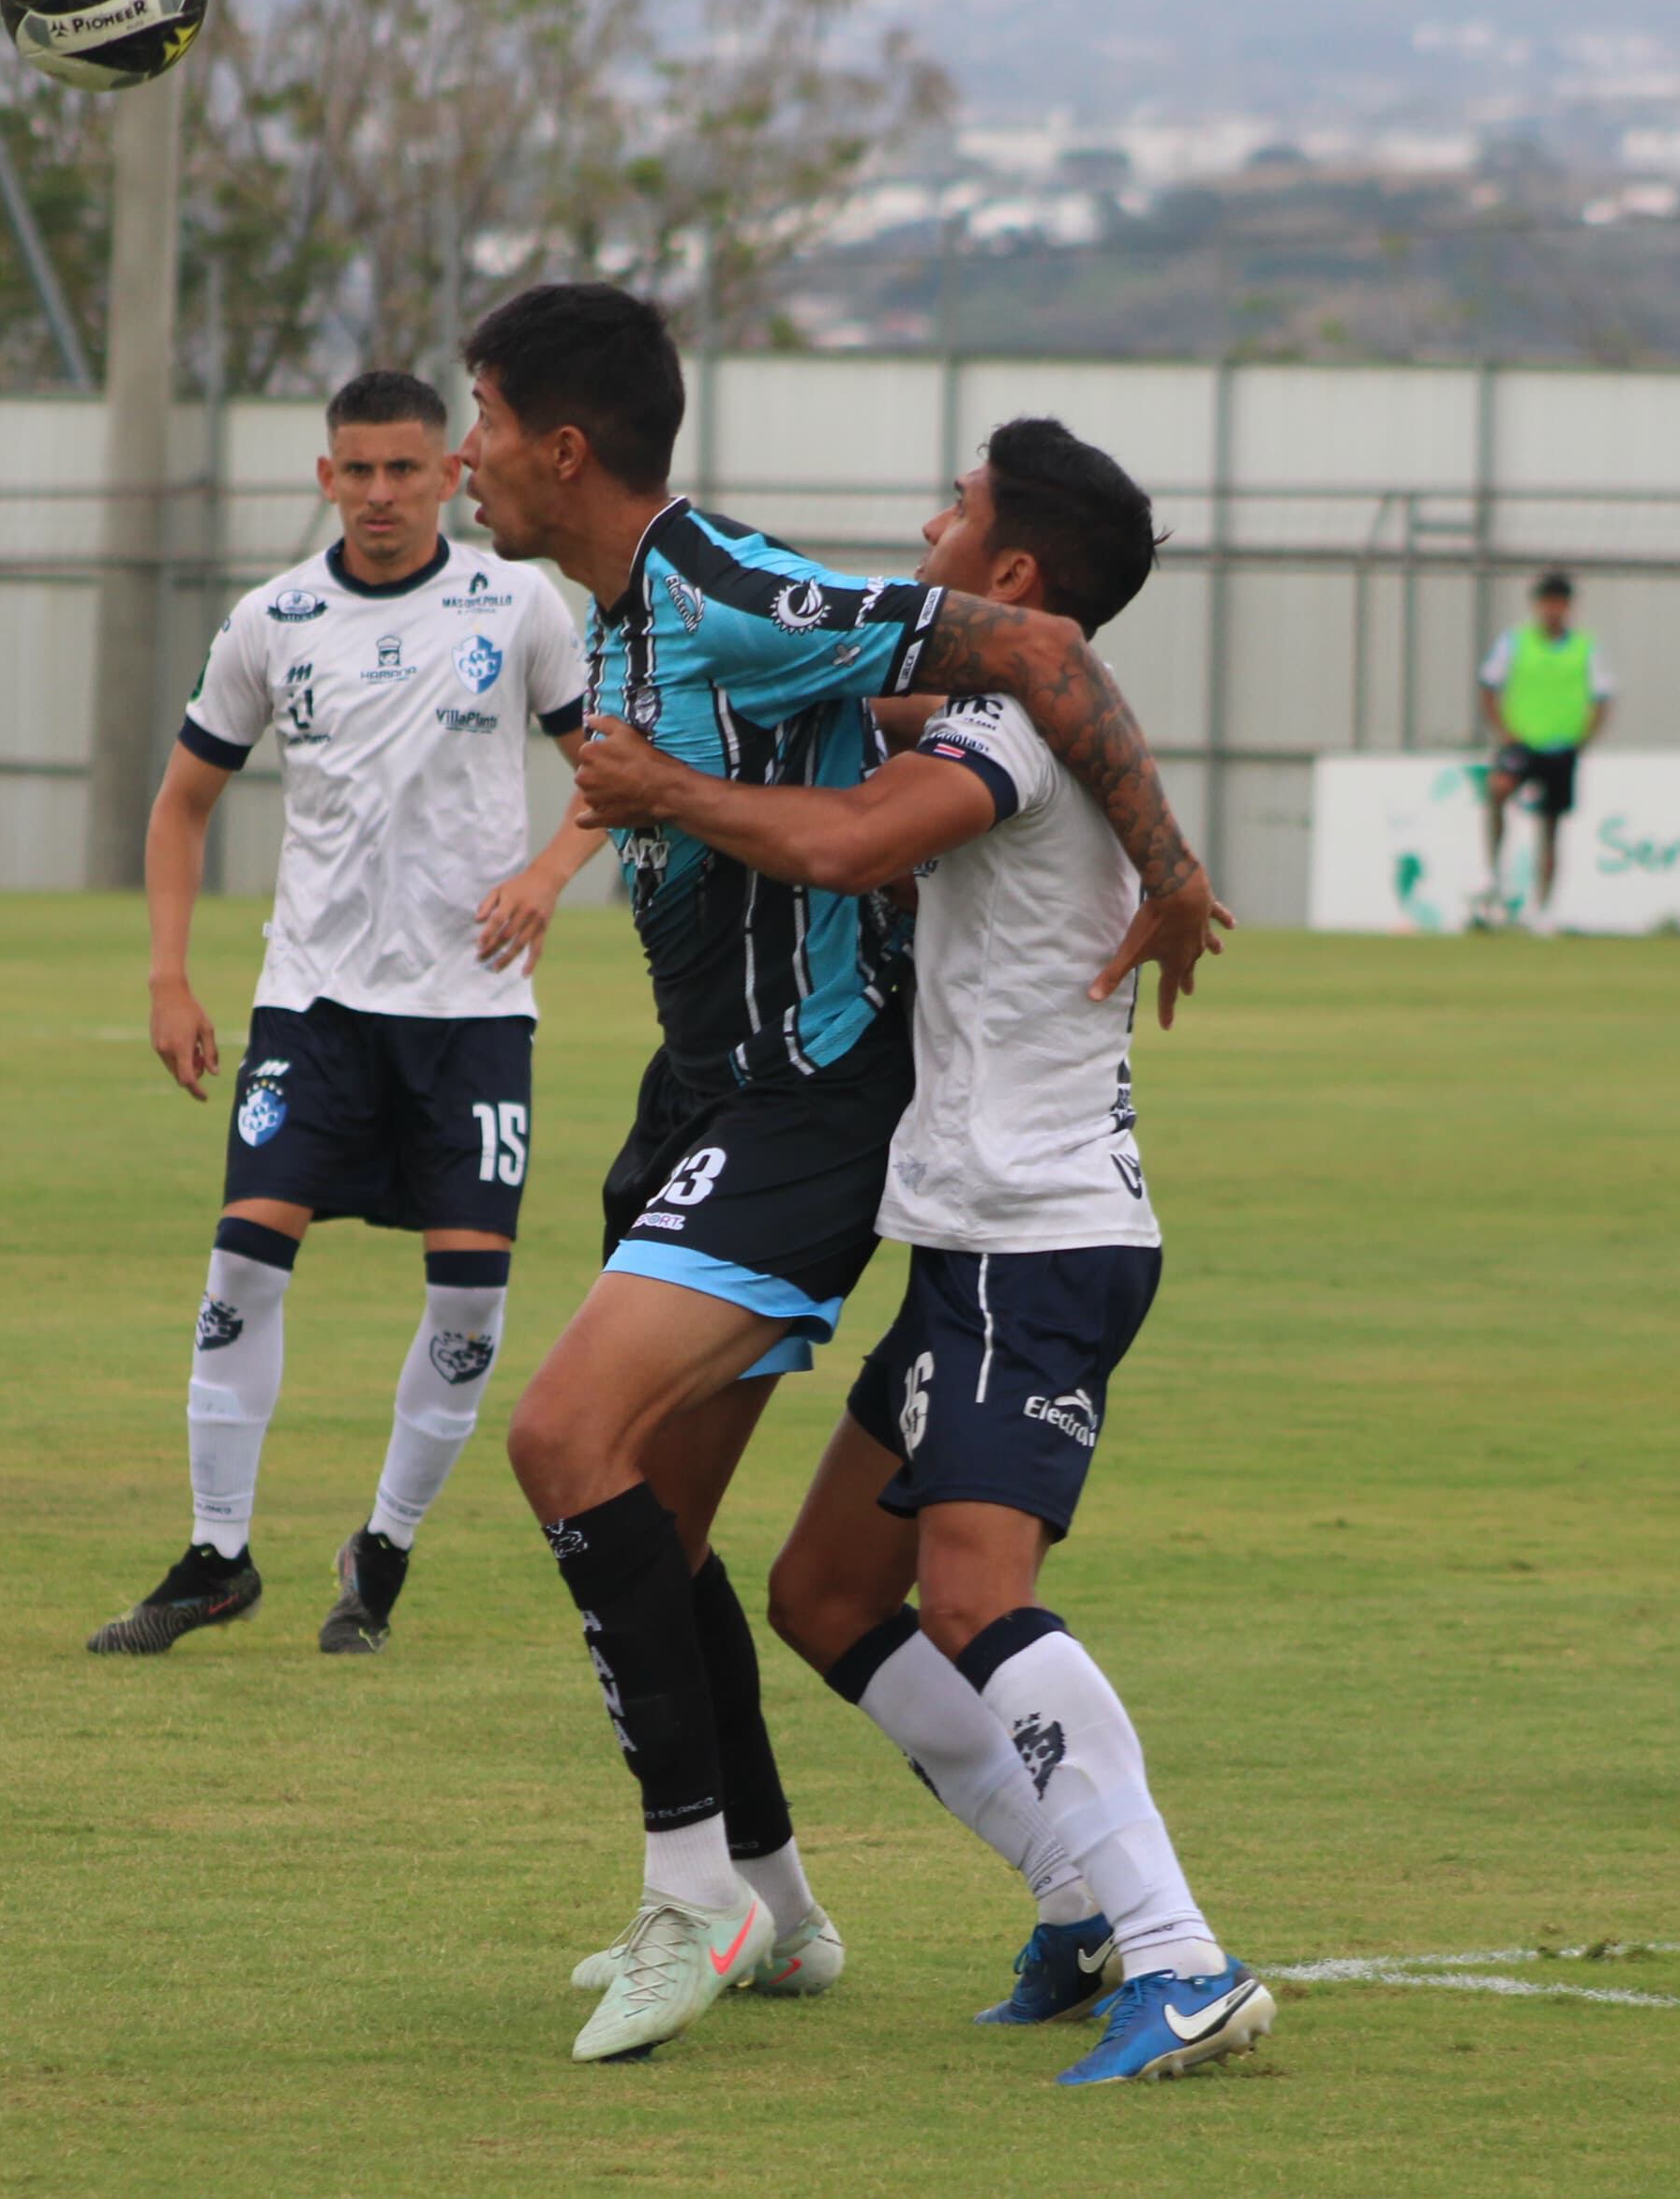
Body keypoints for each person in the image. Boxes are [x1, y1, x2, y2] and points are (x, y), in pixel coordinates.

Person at [453, 282, 1220, 2066]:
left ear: (559, 446)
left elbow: (1025, 676)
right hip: (735, 1104)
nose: (471, 450)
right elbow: (796, 758)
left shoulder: (734, 584)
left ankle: (718, 1890)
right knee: (723, 1547)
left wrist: (1174, 869)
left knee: (576, 1445)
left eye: (479, 417)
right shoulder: (638, 618)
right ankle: (783, 1902)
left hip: (833, 1125)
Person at [90, 369, 606, 1659]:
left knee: (472, 1301)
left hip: (472, 1016)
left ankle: (380, 1552)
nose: (380, 494)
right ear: (325, 477)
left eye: (405, 470)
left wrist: (545, 875)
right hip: (311, 1008)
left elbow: (619, 771)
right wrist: (168, 974)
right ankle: (217, 1556)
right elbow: (180, 807)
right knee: (241, 1266)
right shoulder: (273, 619)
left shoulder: (518, 601)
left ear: (449, 474)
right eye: (356, 470)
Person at [1475, 571, 1612, 928]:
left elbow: (1602, 697)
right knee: (1498, 790)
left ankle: (1544, 907)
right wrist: (1504, 731)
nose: (1552, 610)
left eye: (1559, 603)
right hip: (1521, 742)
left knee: (1550, 827)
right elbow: (1489, 687)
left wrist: (1585, 739)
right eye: (1546, 603)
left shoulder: (1585, 647)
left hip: (1561, 747)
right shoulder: (1515, 642)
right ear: (1537, 606)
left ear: (1568, 607)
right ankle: (1495, 878)